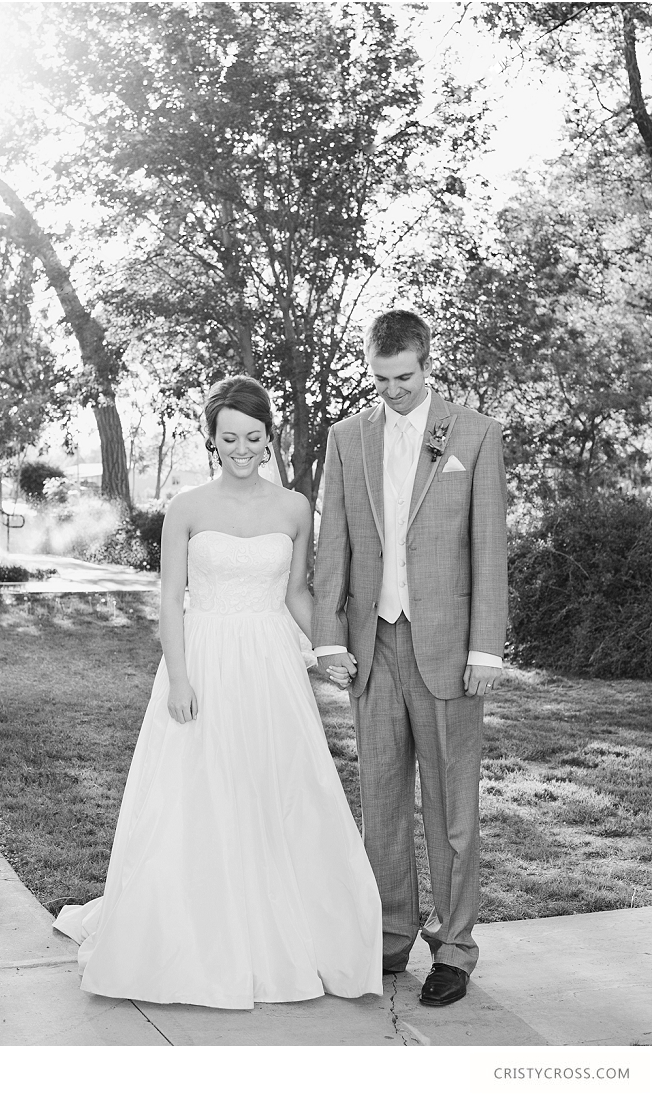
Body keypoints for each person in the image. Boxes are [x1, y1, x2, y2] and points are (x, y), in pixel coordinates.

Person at [53, 376, 382, 1009]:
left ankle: (283, 933)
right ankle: (196, 937)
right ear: (212, 439)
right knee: (197, 795)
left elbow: (295, 594)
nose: (241, 448)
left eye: (253, 437)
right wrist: (179, 678)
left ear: (269, 437)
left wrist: (328, 649)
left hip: (268, 667)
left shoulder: (292, 508)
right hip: (200, 658)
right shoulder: (187, 507)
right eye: (228, 437)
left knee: (274, 790)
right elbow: (169, 601)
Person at [312, 309, 508, 1007]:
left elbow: (488, 547)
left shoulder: (475, 434)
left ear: (428, 366)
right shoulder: (346, 439)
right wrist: (331, 639)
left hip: (451, 650)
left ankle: (454, 948)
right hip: (374, 646)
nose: (393, 390)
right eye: (381, 379)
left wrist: (487, 646)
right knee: (383, 802)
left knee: (453, 806)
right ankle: (391, 936)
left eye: (405, 378)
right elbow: (333, 541)